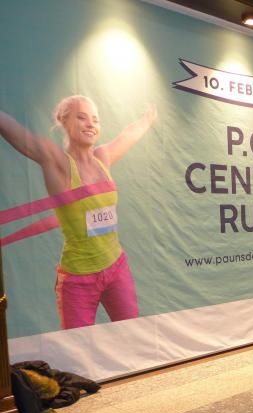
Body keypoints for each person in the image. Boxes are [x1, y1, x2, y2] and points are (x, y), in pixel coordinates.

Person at [0, 96, 156, 329]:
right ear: (64, 121)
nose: (90, 124)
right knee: (77, 347)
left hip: (116, 268)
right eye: (82, 117)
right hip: (78, 279)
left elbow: (129, 135)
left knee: (130, 335)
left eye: (95, 119)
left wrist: (148, 118)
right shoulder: (59, 163)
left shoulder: (102, 158)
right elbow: (21, 136)